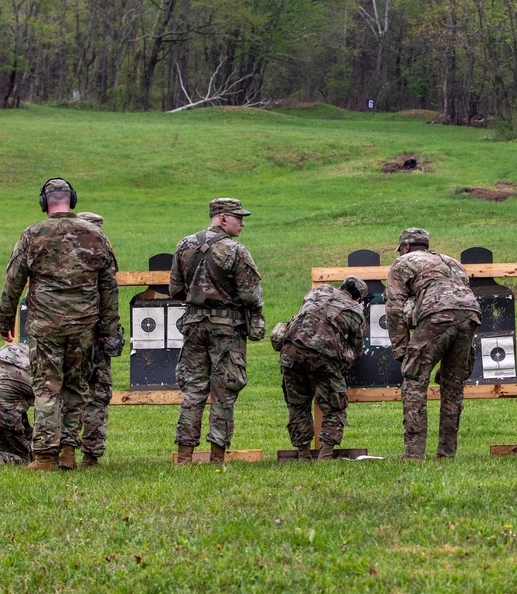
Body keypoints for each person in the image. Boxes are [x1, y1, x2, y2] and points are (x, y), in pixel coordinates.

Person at [0, 178, 120, 471]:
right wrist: (109, 329)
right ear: (72, 200)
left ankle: (44, 456)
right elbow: (109, 287)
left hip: (46, 326)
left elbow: (13, 283)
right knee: (76, 388)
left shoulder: (32, 234)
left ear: (44, 203)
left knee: (46, 389)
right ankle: (67, 452)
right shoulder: (95, 235)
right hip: (84, 327)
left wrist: (4, 321)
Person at [170, 198, 265, 465]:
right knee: (224, 391)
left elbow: (175, 290)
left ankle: (184, 457)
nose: (243, 223)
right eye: (239, 218)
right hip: (226, 330)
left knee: (193, 391)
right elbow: (251, 295)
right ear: (223, 218)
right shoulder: (235, 250)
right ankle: (216, 458)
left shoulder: (185, 245)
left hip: (193, 327)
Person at [385, 228, 481, 460]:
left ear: (405, 247)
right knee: (453, 385)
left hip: (437, 315)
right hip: (470, 314)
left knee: (414, 381)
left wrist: (402, 349)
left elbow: (394, 307)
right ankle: (447, 452)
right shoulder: (453, 262)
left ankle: (414, 453)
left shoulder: (402, 263)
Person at [274, 276, 368, 461]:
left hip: (291, 351)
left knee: (298, 406)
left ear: (340, 286)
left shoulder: (317, 291)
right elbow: (356, 348)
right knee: (334, 407)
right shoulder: (356, 310)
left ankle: (303, 455)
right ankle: (324, 456)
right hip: (324, 358)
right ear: (358, 299)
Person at [74, 212, 125, 468]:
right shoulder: (104, 252)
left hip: (66, 334)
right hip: (96, 334)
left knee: (67, 392)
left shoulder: (61, 252)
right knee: (97, 393)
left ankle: (63, 451)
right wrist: (110, 330)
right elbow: (110, 294)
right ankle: (91, 455)